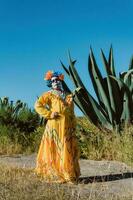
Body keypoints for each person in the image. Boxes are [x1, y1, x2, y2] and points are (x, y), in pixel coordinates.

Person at [34, 70, 81, 184]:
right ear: (50, 83)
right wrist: (49, 114)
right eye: (53, 81)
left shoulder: (68, 96)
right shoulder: (49, 94)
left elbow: (71, 112)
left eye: (58, 80)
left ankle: (68, 174)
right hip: (54, 125)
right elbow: (37, 105)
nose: (56, 82)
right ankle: (54, 174)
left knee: (67, 148)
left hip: (67, 126)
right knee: (54, 148)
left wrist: (73, 124)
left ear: (61, 81)